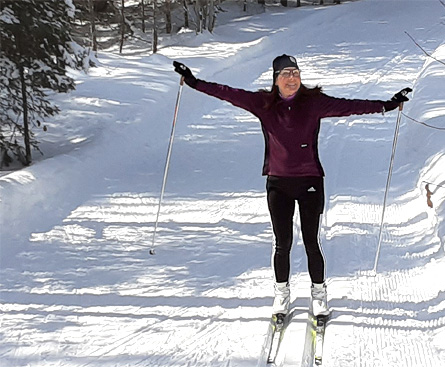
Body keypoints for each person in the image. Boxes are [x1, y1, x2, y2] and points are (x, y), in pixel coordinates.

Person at [173, 55, 409, 317]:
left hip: (310, 181)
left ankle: (319, 294)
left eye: (296, 73)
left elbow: (350, 106)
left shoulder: (313, 103)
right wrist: (194, 82)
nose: (292, 78)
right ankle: (281, 294)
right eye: (286, 73)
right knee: (282, 243)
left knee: (311, 241)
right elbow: (229, 93)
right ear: (275, 79)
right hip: (278, 183)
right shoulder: (263, 104)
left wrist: (387, 105)